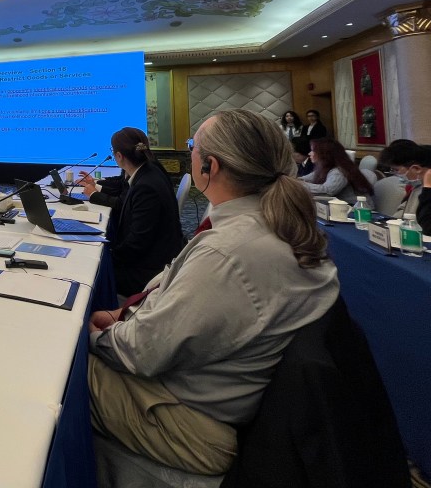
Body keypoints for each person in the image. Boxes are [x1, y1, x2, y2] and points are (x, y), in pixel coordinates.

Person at [87, 109, 339, 475]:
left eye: (192, 145)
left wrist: (92, 335)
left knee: (61, 367)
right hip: (204, 392)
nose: (189, 151)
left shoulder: (227, 253)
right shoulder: (265, 225)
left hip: (189, 423)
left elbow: (141, 352)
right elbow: (180, 294)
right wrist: (121, 314)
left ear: (210, 166)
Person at [77, 127, 182, 295]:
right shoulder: (148, 169)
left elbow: (136, 244)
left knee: (85, 274)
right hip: (154, 257)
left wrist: (103, 258)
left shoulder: (146, 187)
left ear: (119, 156)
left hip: (149, 271)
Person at [300, 137, 374, 204]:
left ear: (324, 154)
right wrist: (295, 181)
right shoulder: (325, 168)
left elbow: (327, 191)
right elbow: (305, 179)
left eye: (313, 151)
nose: (309, 153)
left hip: (358, 210)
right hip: (342, 209)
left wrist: (298, 185)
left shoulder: (339, 171)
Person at [378, 139, 431, 219]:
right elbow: (401, 214)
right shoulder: (416, 188)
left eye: (396, 170)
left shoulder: (425, 192)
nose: (395, 174)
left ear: (416, 169)